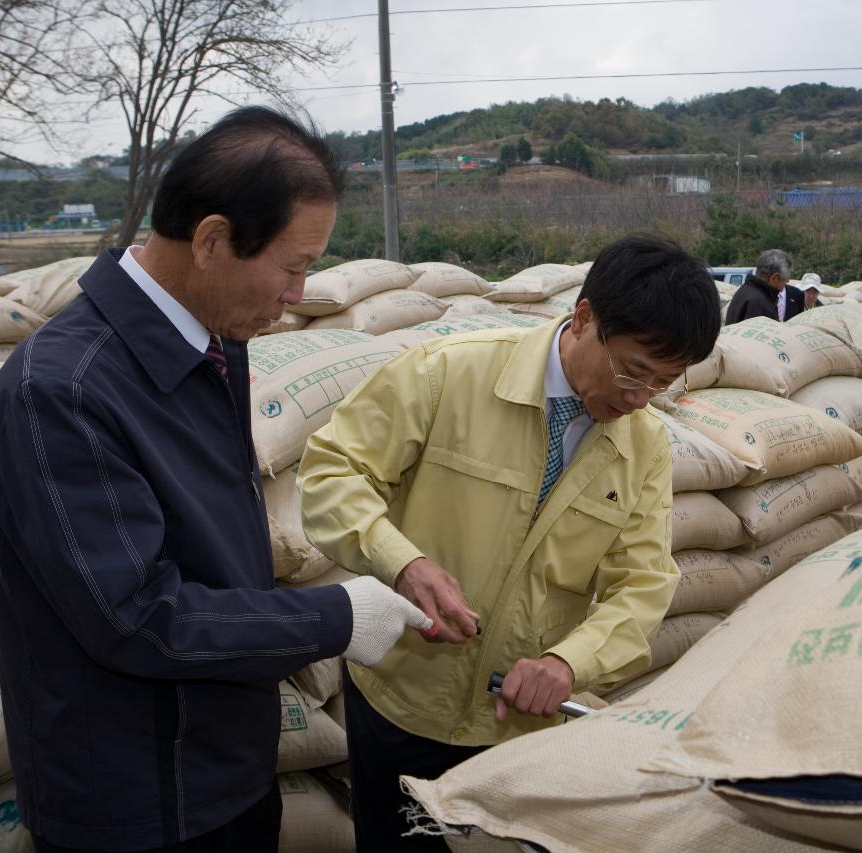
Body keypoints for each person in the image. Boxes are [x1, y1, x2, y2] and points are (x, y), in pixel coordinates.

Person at [0, 106, 431, 853]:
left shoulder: (210, 343)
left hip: (228, 772)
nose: (297, 292)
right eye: (293, 265)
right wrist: (334, 618)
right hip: (134, 805)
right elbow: (138, 616)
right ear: (212, 239)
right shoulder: (61, 394)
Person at [298, 235, 721, 850]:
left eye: (661, 382)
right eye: (631, 370)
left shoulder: (644, 446)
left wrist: (568, 664)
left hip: (517, 728)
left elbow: (645, 583)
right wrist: (403, 563)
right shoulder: (450, 374)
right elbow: (331, 473)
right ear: (583, 319)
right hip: (403, 701)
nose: (637, 397)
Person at [724, 248, 800, 324]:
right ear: (775, 278)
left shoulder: (746, 291)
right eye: (785, 281)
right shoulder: (759, 304)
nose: (787, 283)